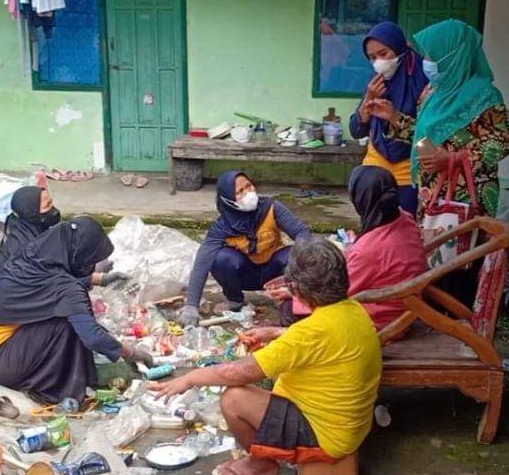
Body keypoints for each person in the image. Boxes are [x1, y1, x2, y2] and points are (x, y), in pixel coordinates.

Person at [151, 238, 381, 475]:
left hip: (325, 437)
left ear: (300, 290)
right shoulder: (352, 309)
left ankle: (262, 466)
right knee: (262, 383)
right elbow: (323, 339)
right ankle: (266, 457)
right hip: (349, 426)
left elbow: (237, 373)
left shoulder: (308, 333)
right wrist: (272, 333)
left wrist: (190, 378)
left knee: (234, 398)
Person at [0, 216, 152, 403]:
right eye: (91, 259)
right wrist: (131, 353)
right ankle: (52, 388)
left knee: (68, 315)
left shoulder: (33, 255)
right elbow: (93, 336)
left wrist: (101, 279)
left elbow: (49, 288)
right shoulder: (64, 288)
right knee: (66, 324)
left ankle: (56, 378)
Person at [366, 19, 509, 218]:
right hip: (431, 194)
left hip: (468, 197)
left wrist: (452, 158)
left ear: (453, 55)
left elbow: (503, 142)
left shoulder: (485, 97)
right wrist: (393, 117)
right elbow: (423, 136)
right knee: (431, 245)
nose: (426, 61)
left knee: (466, 247)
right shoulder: (432, 92)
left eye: (432, 55)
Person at [269, 166, 429, 330]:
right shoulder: (405, 219)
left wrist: (297, 295)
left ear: (361, 200)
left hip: (382, 320)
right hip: (408, 307)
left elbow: (338, 294)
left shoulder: (368, 250)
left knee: (288, 310)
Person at [179, 171, 311, 326]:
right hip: (245, 275)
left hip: (275, 272)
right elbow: (202, 263)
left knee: (293, 254)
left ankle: (285, 298)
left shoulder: (271, 208)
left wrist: (302, 269)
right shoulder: (222, 227)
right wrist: (191, 305)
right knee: (221, 258)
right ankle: (235, 301)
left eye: (249, 186)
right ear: (229, 200)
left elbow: (302, 231)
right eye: (239, 192)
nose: (248, 193)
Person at [349, 21, 428, 216]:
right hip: (375, 162)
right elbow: (356, 130)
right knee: (372, 224)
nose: (378, 63)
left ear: (399, 48)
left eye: (383, 54)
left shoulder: (424, 82)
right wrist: (368, 100)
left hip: (408, 168)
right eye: (372, 57)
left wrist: (393, 117)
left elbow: (427, 138)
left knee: (405, 225)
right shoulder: (377, 82)